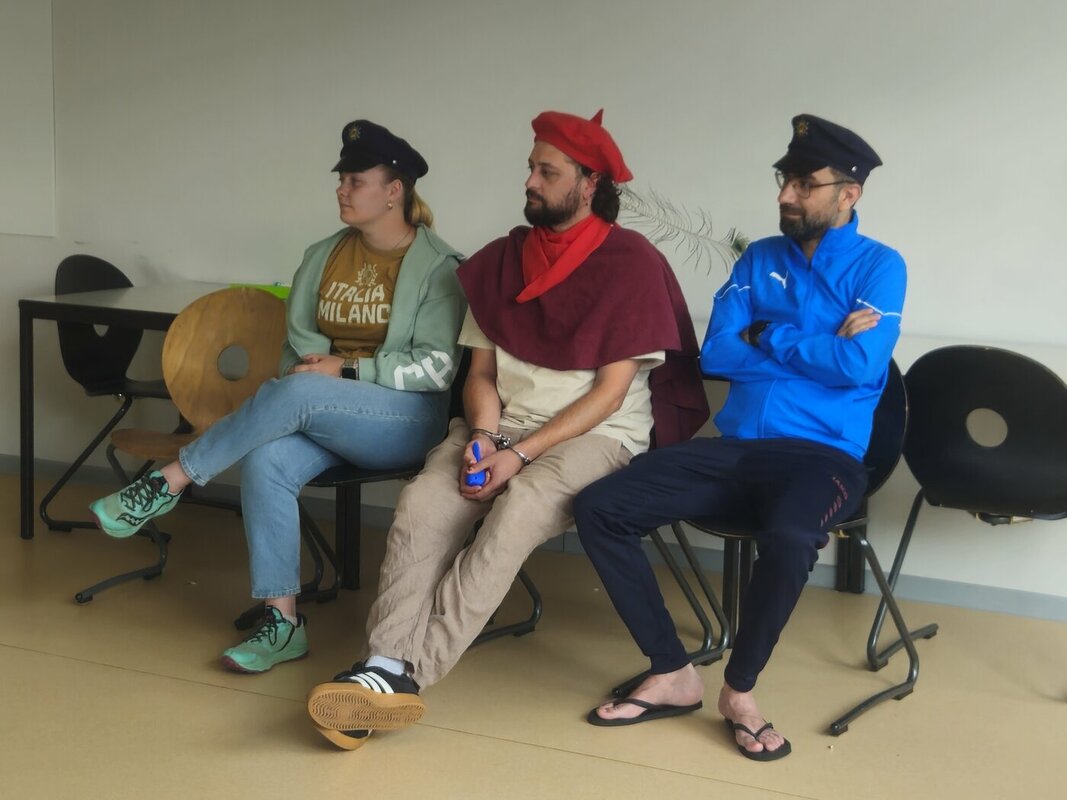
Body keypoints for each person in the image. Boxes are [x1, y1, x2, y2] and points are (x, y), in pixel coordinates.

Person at [303, 109, 709, 751]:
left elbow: (609, 395)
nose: (530, 181)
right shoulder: (502, 260)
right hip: (501, 426)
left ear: (589, 183)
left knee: (516, 513)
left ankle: (407, 673)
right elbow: (482, 374)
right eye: (530, 168)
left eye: (548, 172)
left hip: (595, 436)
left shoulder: (632, 263)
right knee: (424, 503)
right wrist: (486, 439)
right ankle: (381, 663)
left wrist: (518, 456)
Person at [573, 114, 905, 762]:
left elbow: (860, 366)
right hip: (733, 451)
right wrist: (818, 344)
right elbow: (719, 354)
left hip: (823, 458)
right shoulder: (759, 259)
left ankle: (740, 692)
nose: (785, 195)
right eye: (784, 180)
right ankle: (671, 671)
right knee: (599, 507)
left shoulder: (880, 267)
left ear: (849, 193)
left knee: (790, 537)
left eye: (804, 184)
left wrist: (768, 334)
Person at [89, 119, 465, 674]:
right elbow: (296, 348)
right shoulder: (322, 255)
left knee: (304, 391)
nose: (341, 189)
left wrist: (347, 369)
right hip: (321, 406)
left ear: (394, 191)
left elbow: (437, 368)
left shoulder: (438, 268)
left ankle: (172, 479)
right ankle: (282, 622)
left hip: (404, 419)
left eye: (355, 181)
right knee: (267, 459)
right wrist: (314, 372)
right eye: (341, 179)